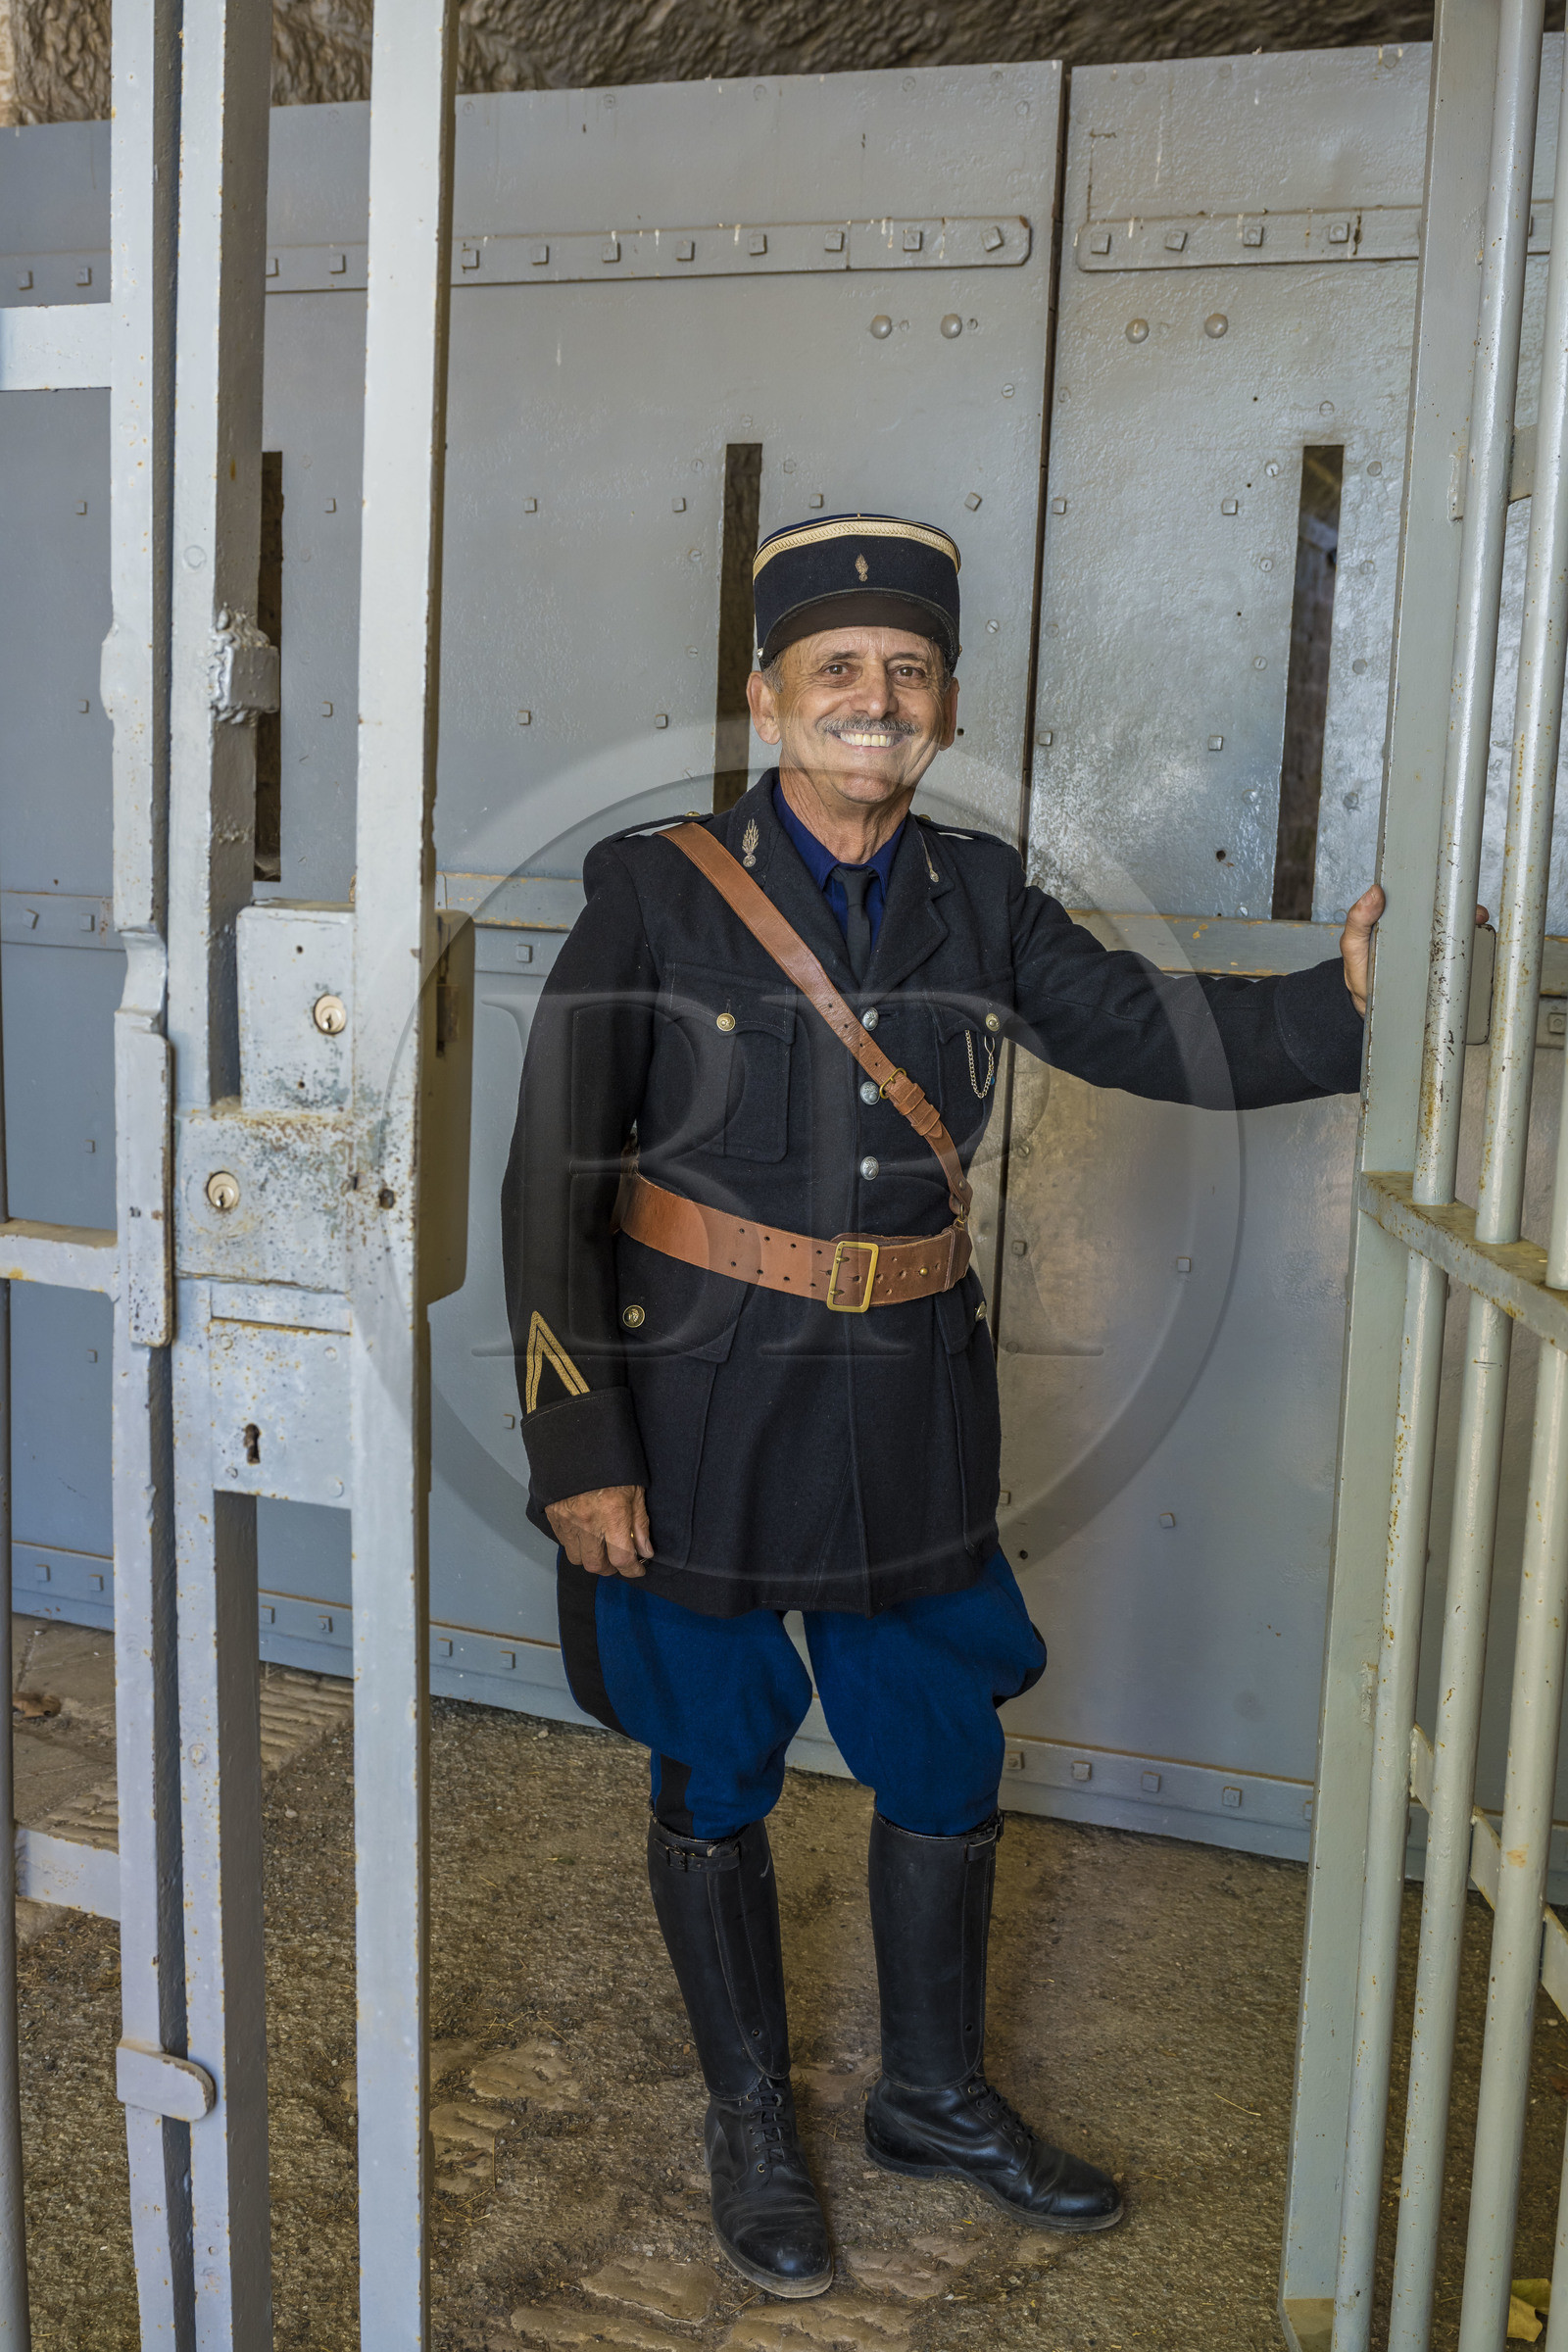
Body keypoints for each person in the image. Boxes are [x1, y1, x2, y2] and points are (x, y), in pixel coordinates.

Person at [502, 512, 1380, 2299]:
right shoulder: (652, 888)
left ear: (946, 704)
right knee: (713, 1751)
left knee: (941, 1741)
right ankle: (754, 2115)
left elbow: (1150, 1029)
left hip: (908, 1402)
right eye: (838, 672)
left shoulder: (980, 898)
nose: (874, 700)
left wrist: (1346, 1005)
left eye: (907, 674)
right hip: (699, 1412)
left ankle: (930, 2095)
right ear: (768, 700)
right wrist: (577, 1443)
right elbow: (547, 1186)